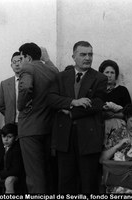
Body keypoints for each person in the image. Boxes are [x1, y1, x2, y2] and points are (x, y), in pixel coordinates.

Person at [48, 41, 107, 193]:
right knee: (66, 181)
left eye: (90, 54)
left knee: (88, 182)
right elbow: (51, 98)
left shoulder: (99, 78)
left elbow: (98, 103)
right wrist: (73, 102)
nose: (88, 58)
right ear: (73, 56)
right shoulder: (61, 77)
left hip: (88, 137)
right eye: (83, 54)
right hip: (64, 137)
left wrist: (71, 112)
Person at [17, 43, 59, 193]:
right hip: (47, 127)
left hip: (29, 128)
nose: (20, 62)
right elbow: (57, 73)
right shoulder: (51, 70)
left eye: (21, 57)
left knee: (34, 175)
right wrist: (47, 59)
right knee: (47, 172)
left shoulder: (28, 67)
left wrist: (20, 105)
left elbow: (26, 87)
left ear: (27, 57)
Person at [98, 59, 132, 147]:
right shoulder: (97, 91)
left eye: (112, 73)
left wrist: (113, 115)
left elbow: (129, 112)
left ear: (116, 74)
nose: (109, 75)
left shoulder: (122, 90)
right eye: (107, 72)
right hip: (100, 127)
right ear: (101, 74)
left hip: (119, 127)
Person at [0, 123, 25, 193]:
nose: (5, 139)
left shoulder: (17, 149)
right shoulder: (1, 146)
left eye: (9, 137)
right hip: (4, 173)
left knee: (9, 181)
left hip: (15, 176)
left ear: (16, 138)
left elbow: (16, 170)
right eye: (3, 137)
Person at [0, 52, 22, 125]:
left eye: (19, 61)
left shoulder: (30, 81)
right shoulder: (4, 84)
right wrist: (10, 115)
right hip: (11, 124)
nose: (17, 64)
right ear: (11, 65)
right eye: (14, 62)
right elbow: (1, 106)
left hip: (27, 124)